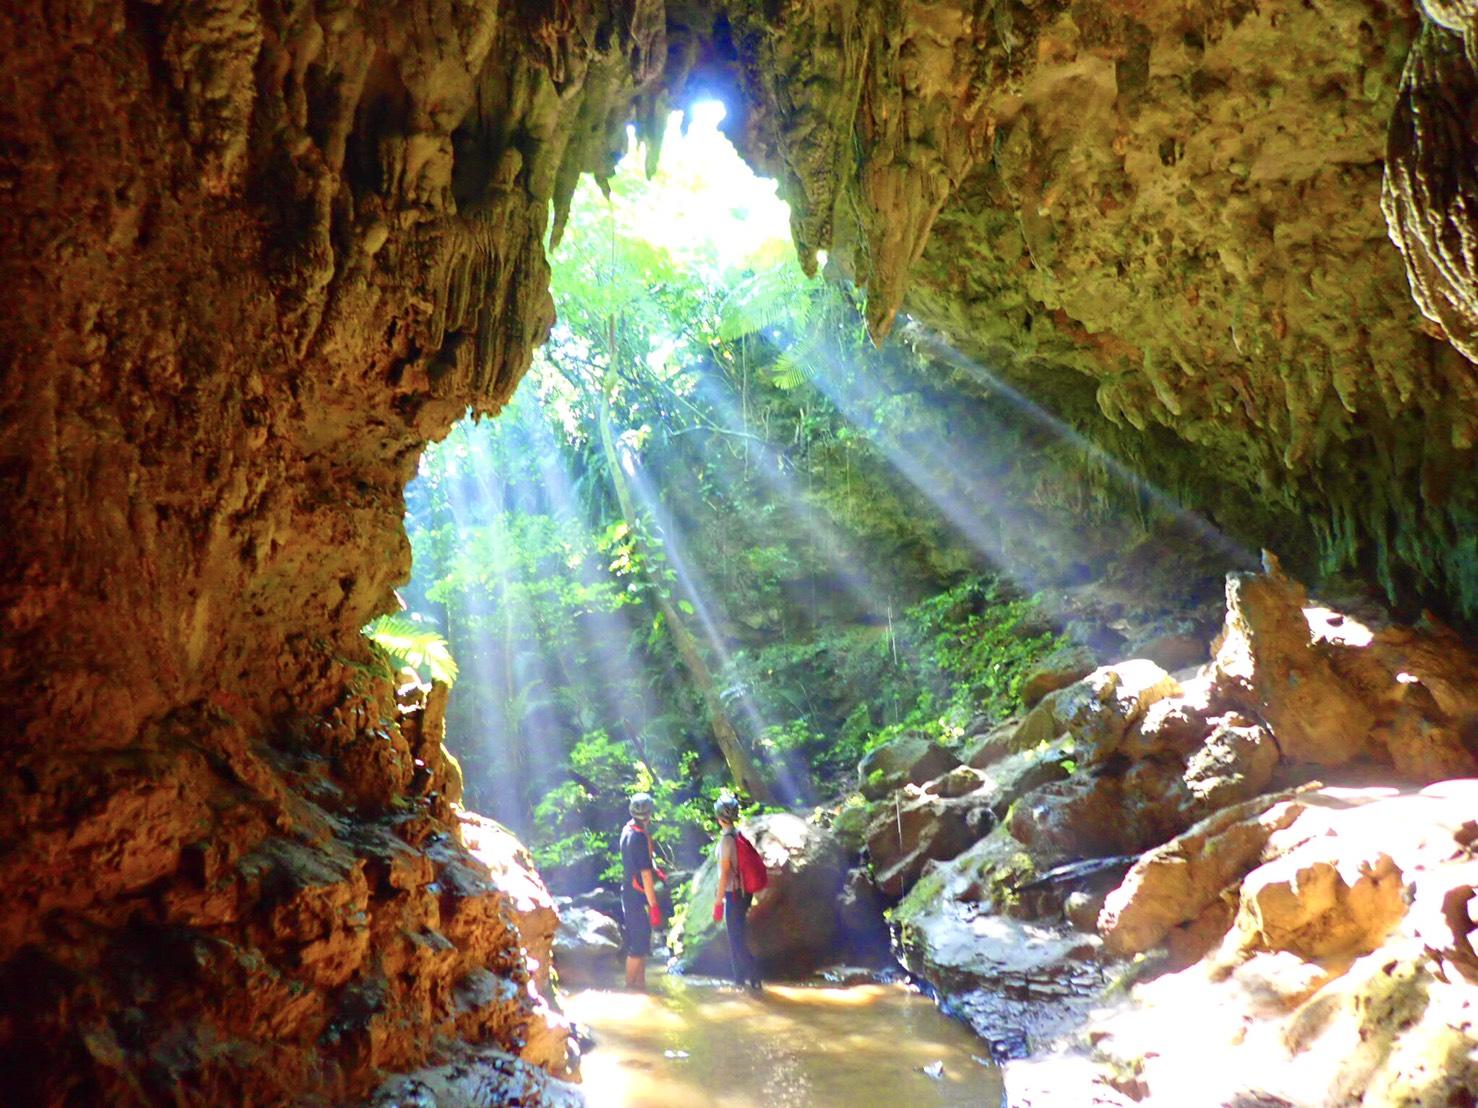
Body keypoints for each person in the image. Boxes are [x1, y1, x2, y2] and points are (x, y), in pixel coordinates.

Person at [711, 794, 762, 991]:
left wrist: (717, 902)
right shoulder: (738, 834)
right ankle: (740, 981)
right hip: (744, 893)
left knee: (736, 940)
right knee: (737, 937)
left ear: (719, 817)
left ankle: (753, 978)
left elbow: (725, 873)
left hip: (734, 894)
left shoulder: (726, 841)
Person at [619, 792, 664, 991]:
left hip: (629, 891)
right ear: (649, 813)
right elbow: (645, 875)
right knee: (638, 945)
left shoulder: (628, 829)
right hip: (636, 895)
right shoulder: (637, 837)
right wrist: (653, 906)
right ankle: (629, 989)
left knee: (643, 942)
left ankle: (641, 986)